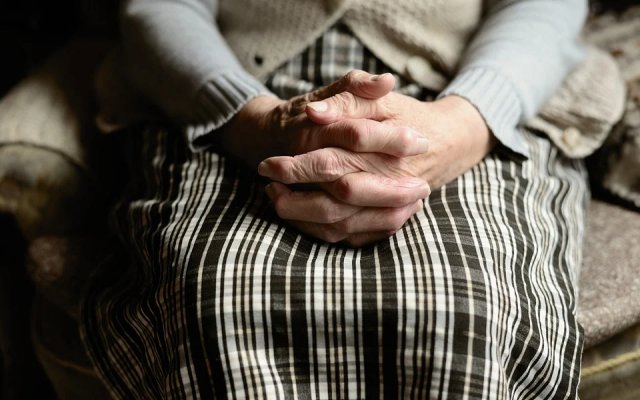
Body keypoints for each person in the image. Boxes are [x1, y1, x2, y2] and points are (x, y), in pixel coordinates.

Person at [81, 0, 622, 398]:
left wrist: (461, 125)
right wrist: (254, 123)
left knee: (463, 311)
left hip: (465, 94)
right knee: (218, 304)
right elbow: (160, 8)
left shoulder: (467, 109)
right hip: (232, 95)